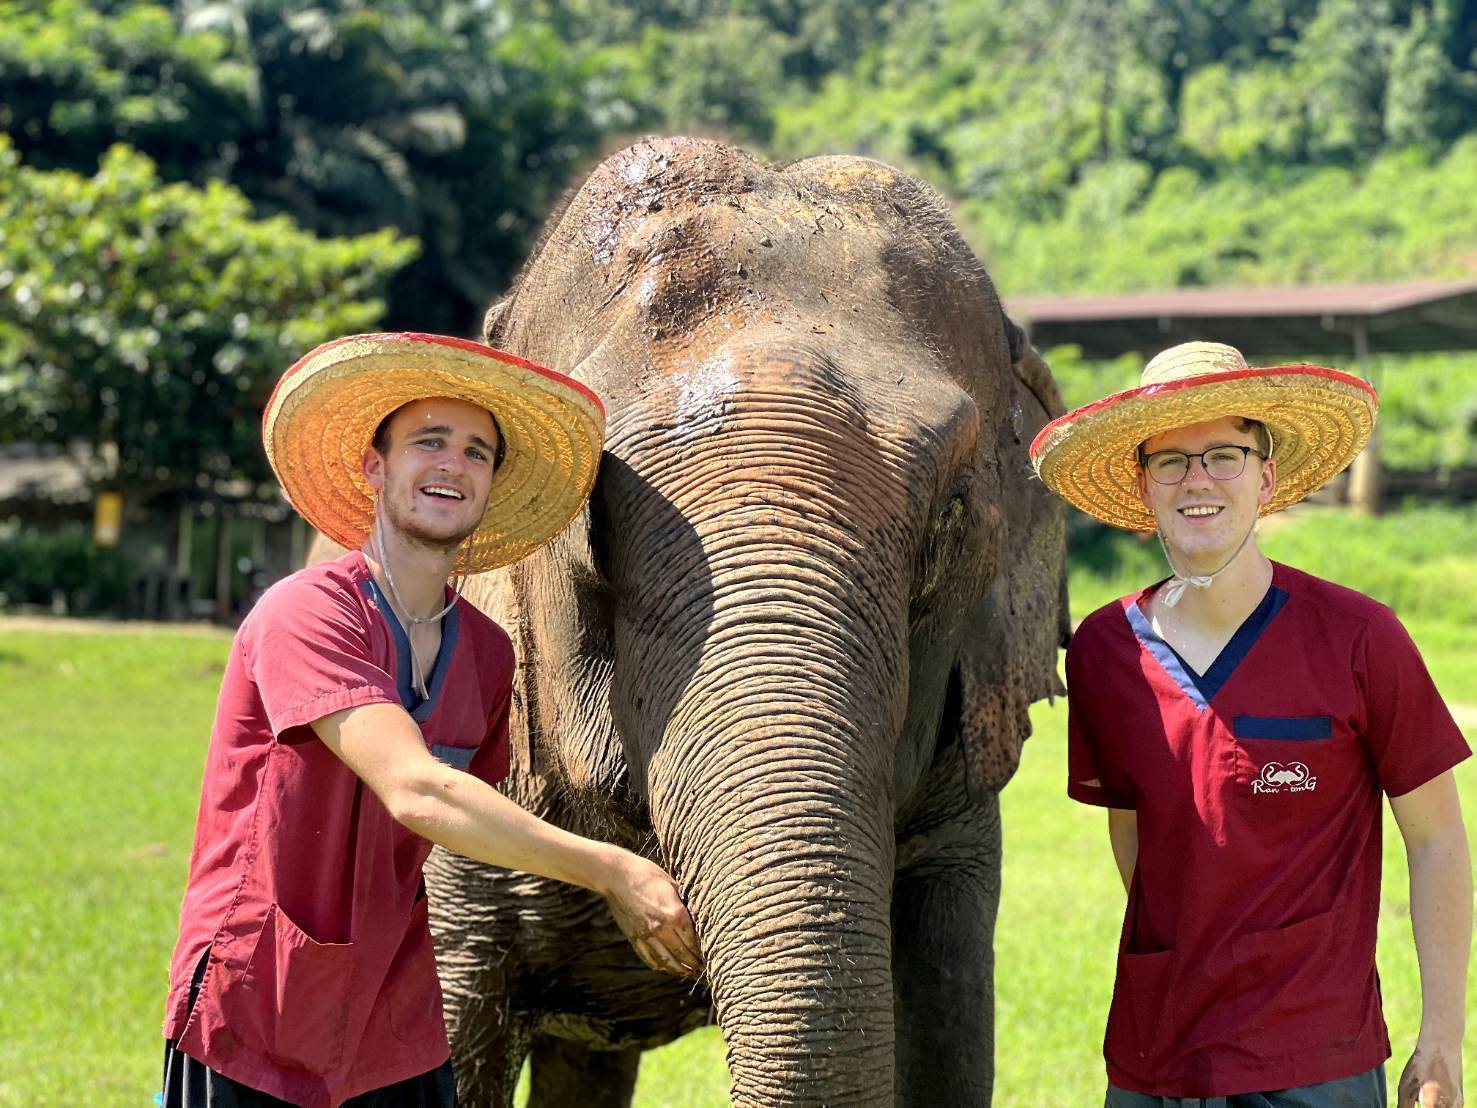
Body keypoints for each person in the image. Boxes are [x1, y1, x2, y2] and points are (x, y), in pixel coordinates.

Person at [161, 332, 702, 1108]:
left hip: (394, 1006)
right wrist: (614, 870)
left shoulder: (484, 652)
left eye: (477, 451)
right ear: (375, 468)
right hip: (261, 994)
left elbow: (465, 824)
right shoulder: (308, 613)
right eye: (429, 441)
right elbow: (421, 792)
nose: (453, 464)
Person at [1029, 341, 1471, 1108]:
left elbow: (1435, 840)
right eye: (1170, 460)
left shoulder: (1361, 638)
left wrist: (1440, 1039)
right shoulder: (1104, 652)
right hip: (1151, 1057)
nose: (1197, 479)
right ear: (1142, 487)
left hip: (1315, 1061)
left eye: (1223, 454)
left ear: (1266, 478)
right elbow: (1132, 834)